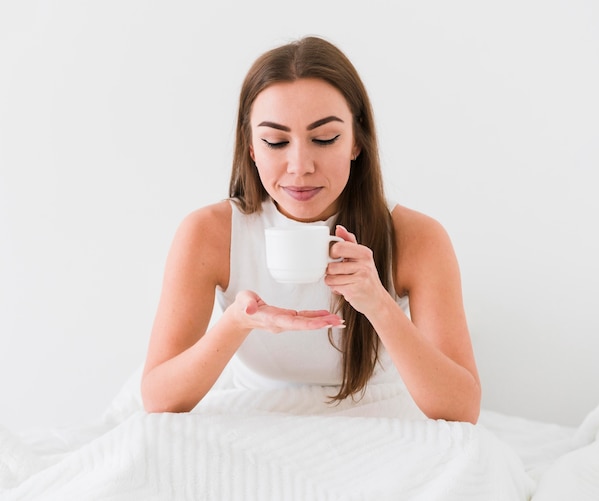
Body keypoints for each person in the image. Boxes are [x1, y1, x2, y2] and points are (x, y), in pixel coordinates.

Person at [140, 36, 481, 423]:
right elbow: (158, 397)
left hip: (382, 420)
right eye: (275, 141)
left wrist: (378, 304)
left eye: (324, 139)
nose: (300, 166)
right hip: (258, 418)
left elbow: (462, 409)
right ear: (251, 147)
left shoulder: (417, 237)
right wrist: (237, 323)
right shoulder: (209, 233)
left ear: (356, 142)